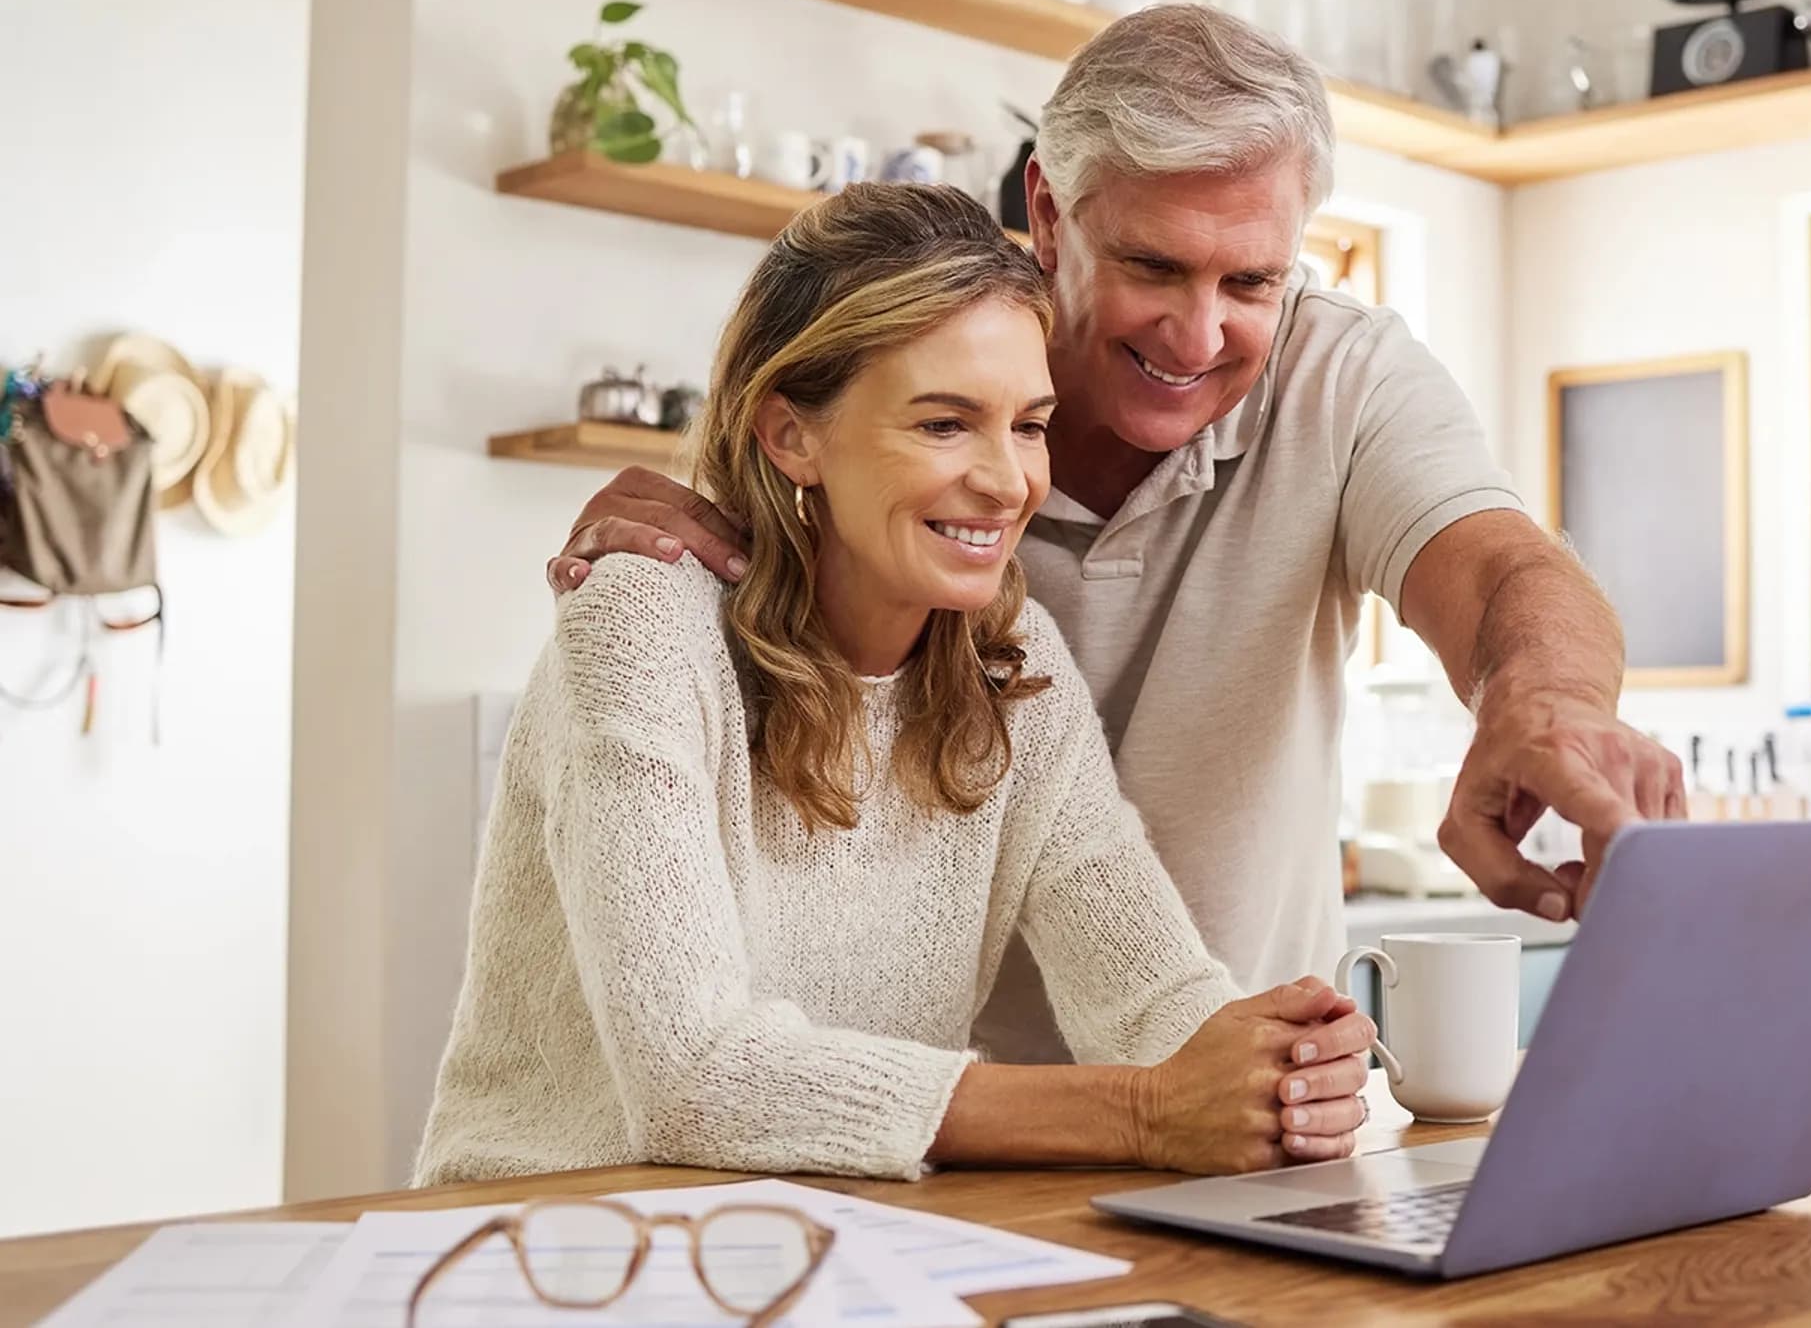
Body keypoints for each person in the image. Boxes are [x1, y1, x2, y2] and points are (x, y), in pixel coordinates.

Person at [547, 5, 1688, 1064]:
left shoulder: (1343, 380)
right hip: (909, 1125)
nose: (1199, 334)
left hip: (1203, 1097)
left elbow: (1500, 572)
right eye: (1154, 265)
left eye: (1253, 280)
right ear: (1048, 212)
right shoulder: (896, 410)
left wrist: (1544, 703)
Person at [414, 184, 1374, 1187]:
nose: (1008, 483)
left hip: (838, 1247)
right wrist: (1146, 1112)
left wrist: (1278, 1066)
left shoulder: (1012, 666)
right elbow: (694, 1075)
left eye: (1029, 426)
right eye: (945, 424)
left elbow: (1151, 1002)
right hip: (549, 1251)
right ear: (792, 435)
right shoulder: (644, 623)